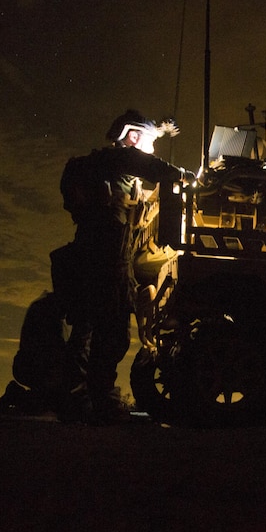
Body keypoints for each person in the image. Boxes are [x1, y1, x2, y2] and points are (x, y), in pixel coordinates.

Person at [56, 109, 189, 424]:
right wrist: (189, 176)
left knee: (85, 327)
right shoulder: (123, 160)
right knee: (113, 329)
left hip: (88, 252)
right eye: (148, 140)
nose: (151, 147)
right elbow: (161, 170)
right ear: (132, 137)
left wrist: (158, 129)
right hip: (109, 254)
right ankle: (105, 405)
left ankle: (76, 401)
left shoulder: (103, 164)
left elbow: (140, 149)